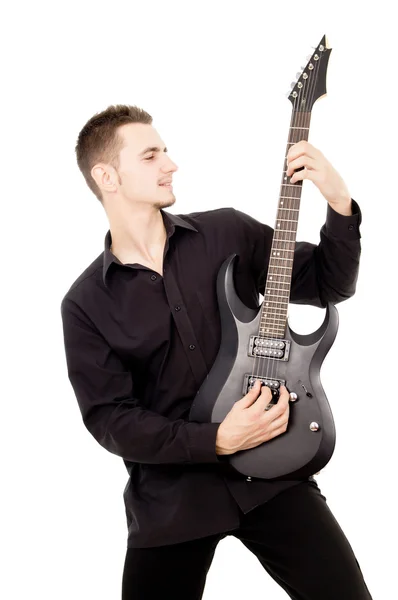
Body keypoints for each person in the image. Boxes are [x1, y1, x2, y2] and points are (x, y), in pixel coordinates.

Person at [60, 104, 372, 599]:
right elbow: (111, 420)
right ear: (107, 176)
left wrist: (338, 201)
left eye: (165, 150)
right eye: (150, 155)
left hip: (274, 467)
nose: (170, 164)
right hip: (171, 499)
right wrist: (217, 440)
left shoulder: (227, 232)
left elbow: (327, 283)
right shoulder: (85, 304)